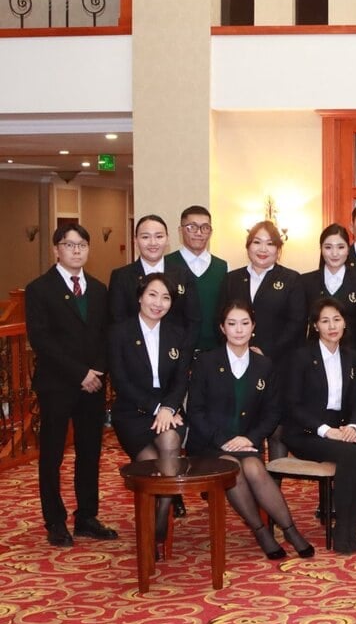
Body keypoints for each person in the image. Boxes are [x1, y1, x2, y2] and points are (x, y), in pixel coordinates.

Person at [187, 301, 314, 560]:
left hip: (247, 441)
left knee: (255, 468)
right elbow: (196, 411)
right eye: (232, 324)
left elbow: (272, 411)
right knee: (234, 468)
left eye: (245, 323)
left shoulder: (264, 365)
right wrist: (223, 440)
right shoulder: (206, 362)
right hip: (211, 444)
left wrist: (250, 437)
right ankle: (261, 531)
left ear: (253, 327)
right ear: (222, 328)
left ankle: (290, 530)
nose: (239, 330)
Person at [25, 224, 118, 547]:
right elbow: (42, 340)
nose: (76, 251)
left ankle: (87, 517)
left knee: (90, 453)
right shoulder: (39, 289)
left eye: (82, 245)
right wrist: (81, 372)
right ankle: (55, 521)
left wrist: (98, 371)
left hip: (92, 385)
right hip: (57, 385)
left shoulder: (97, 289)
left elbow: (106, 335)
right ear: (56, 250)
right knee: (52, 455)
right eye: (69, 245)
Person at [282, 298, 356, 554]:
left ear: (345, 323)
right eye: (325, 321)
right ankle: (342, 525)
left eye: (336, 319)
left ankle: (349, 526)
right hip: (306, 431)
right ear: (315, 326)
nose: (332, 326)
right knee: (348, 454)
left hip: (337, 430)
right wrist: (326, 430)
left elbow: (354, 400)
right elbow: (292, 405)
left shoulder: (350, 356)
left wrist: (353, 426)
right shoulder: (301, 357)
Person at [108, 273, 192, 556]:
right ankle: (163, 513)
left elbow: (181, 380)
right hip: (132, 413)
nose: (158, 303)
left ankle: (158, 522)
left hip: (169, 411)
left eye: (166, 297)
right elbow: (121, 382)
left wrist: (168, 408)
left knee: (168, 442)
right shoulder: (120, 332)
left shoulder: (177, 334)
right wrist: (156, 409)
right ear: (140, 297)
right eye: (153, 295)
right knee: (152, 464)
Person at [218, 221, 306, 362]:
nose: (263, 249)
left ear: (278, 249)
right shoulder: (232, 279)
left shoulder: (291, 279)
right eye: (257, 242)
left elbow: (296, 324)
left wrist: (266, 350)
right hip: (235, 358)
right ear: (248, 246)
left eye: (270, 244)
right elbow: (221, 317)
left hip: (278, 361)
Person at [109, 214, 200, 350]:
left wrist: (184, 356)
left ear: (167, 239)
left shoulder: (183, 275)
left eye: (159, 236)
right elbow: (117, 321)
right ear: (135, 240)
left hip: (176, 355)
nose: (153, 243)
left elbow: (193, 321)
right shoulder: (121, 276)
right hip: (134, 355)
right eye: (145, 237)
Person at [300, 223, 356, 359]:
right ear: (321, 249)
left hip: (351, 357)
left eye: (340, 247)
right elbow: (300, 326)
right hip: (314, 358)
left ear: (348, 249)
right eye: (328, 247)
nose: (334, 253)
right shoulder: (306, 282)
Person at [166, 205, 228, 353]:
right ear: (181, 231)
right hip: (175, 349)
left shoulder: (223, 267)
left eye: (205, 227)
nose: (199, 233)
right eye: (192, 227)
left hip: (215, 350)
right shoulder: (165, 265)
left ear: (210, 232)